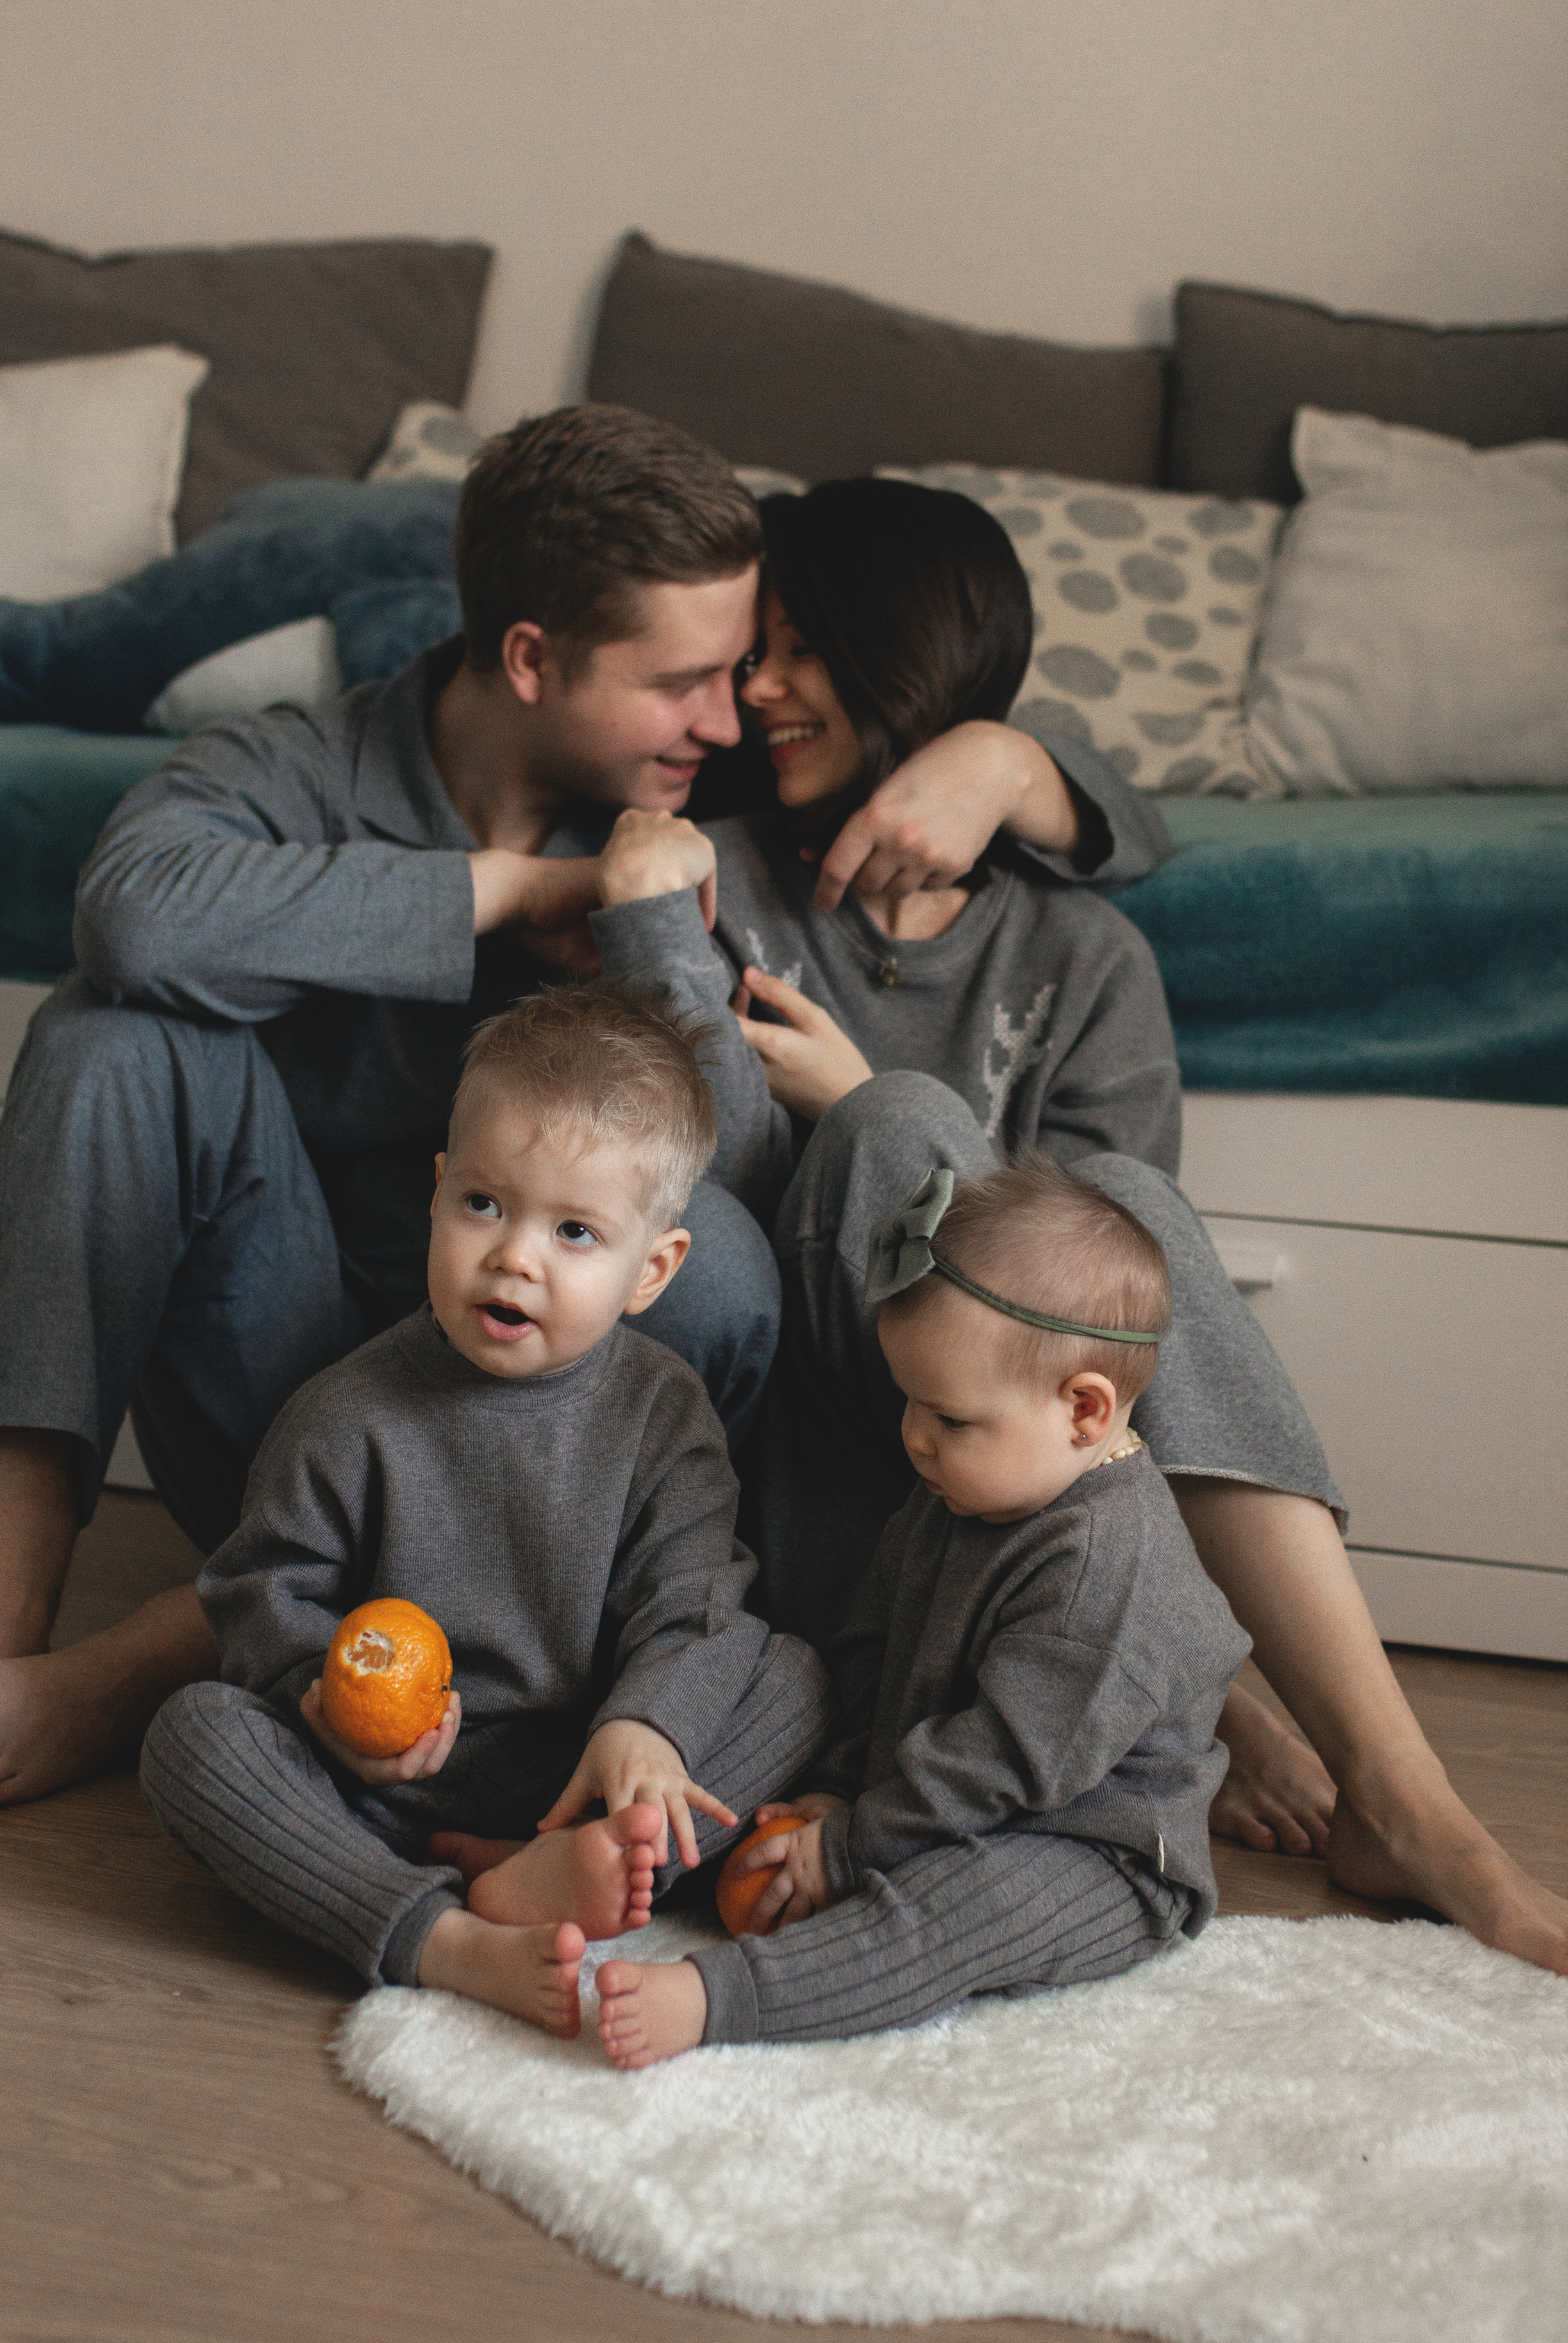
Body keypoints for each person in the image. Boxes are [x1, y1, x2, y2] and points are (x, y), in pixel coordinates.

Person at [0, 409, 1149, 1817]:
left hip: (579, 1474)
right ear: (530, 658)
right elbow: (133, 914)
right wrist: (510, 896)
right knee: (105, 1035)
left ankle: (150, 1664)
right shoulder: (300, 768)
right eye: (687, 677)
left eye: (742, 664)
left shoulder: (692, 786)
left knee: (715, 1252)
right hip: (308, 1402)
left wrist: (1005, 760)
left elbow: (1092, 820)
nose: (733, 708)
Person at [585, 476, 1568, 1978]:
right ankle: (1209, 1682)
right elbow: (652, 1192)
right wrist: (841, 1090)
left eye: (795, 648)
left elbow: (1112, 1328)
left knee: (1116, 1210)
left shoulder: (1080, 953)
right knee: (899, 1128)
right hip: (808, 1486)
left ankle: (1396, 1787)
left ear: (903, 658)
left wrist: (1008, 765)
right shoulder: (714, 885)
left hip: (1021, 1533)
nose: (752, 693)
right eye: (745, 656)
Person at [140, 985, 830, 2035]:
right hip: (385, 1797)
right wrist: (324, 1706)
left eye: (576, 1233)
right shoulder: (348, 1411)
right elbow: (260, 1590)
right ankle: (439, 1936)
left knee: (794, 1675)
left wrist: (650, 1727)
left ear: (653, 1271)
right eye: (484, 1206)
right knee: (192, 1738)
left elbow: (695, 1593)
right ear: (437, 1193)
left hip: (583, 1770)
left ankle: (561, 1863)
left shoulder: (660, 1411)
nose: (516, 1255)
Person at [597, 1155, 1249, 2063]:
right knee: (790, 1678)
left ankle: (721, 1999)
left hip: (1085, 1847)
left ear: (1084, 1411)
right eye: (909, 1401)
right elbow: (874, 1644)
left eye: (949, 1418)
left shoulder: (1112, 1571)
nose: (913, 1436)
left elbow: (1005, 1764)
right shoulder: (966, 1490)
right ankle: (615, 1860)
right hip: (933, 1788)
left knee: (955, 1911)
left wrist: (849, 1845)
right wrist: (830, 1784)